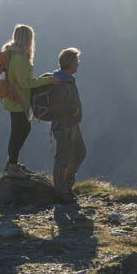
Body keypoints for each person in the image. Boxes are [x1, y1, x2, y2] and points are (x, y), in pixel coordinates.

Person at [1, 24, 58, 179]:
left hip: (13, 99)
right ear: (28, 39)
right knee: (19, 132)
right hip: (17, 101)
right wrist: (47, 81)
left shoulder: (11, 53)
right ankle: (12, 166)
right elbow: (25, 83)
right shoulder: (20, 58)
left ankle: (12, 163)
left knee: (23, 129)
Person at [50, 47, 86, 204]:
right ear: (70, 63)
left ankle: (66, 185)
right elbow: (54, 108)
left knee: (80, 152)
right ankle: (61, 193)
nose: (78, 63)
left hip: (73, 125)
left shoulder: (67, 79)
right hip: (64, 127)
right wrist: (72, 109)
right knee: (62, 160)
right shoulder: (60, 82)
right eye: (77, 60)